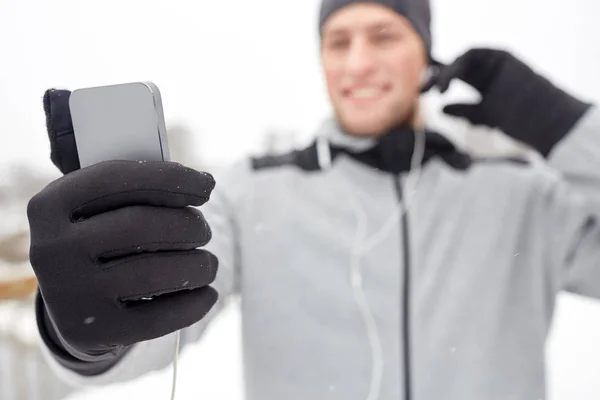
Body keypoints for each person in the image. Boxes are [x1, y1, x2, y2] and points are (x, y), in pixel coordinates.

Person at [27, 1, 600, 399]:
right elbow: (166, 312)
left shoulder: (523, 192)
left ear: (426, 55)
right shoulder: (252, 192)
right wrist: (82, 326)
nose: (357, 63)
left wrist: (569, 129)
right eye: (338, 42)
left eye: (385, 36)